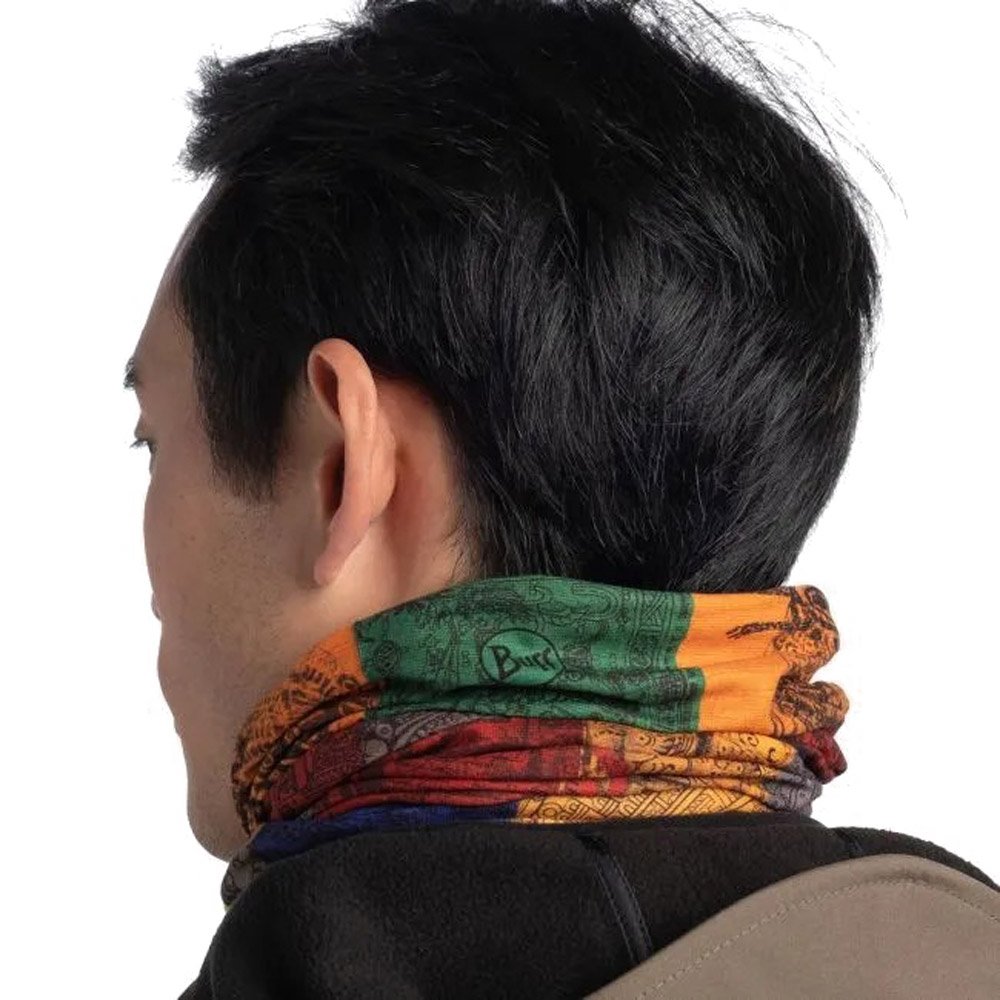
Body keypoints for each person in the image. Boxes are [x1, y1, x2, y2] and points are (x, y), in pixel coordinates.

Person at [123, 0, 998, 996]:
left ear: (345, 468)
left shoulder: (301, 964)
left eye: (151, 441)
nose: (149, 586)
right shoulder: (953, 940)